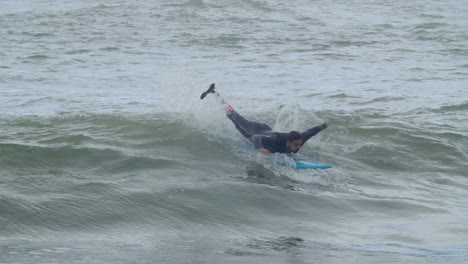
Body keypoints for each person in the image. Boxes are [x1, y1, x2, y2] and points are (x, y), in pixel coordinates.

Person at [201, 84, 329, 155]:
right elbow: (256, 138)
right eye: (296, 145)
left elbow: (310, 132)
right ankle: (213, 93)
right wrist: (260, 148)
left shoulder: (298, 140)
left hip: (266, 129)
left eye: (299, 144)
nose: (299, 147)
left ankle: (215, 94)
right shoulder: (276, 140)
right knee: (234, 117)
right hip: (254, 130)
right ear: (288, 142)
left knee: (234, 118)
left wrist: (323, 126)